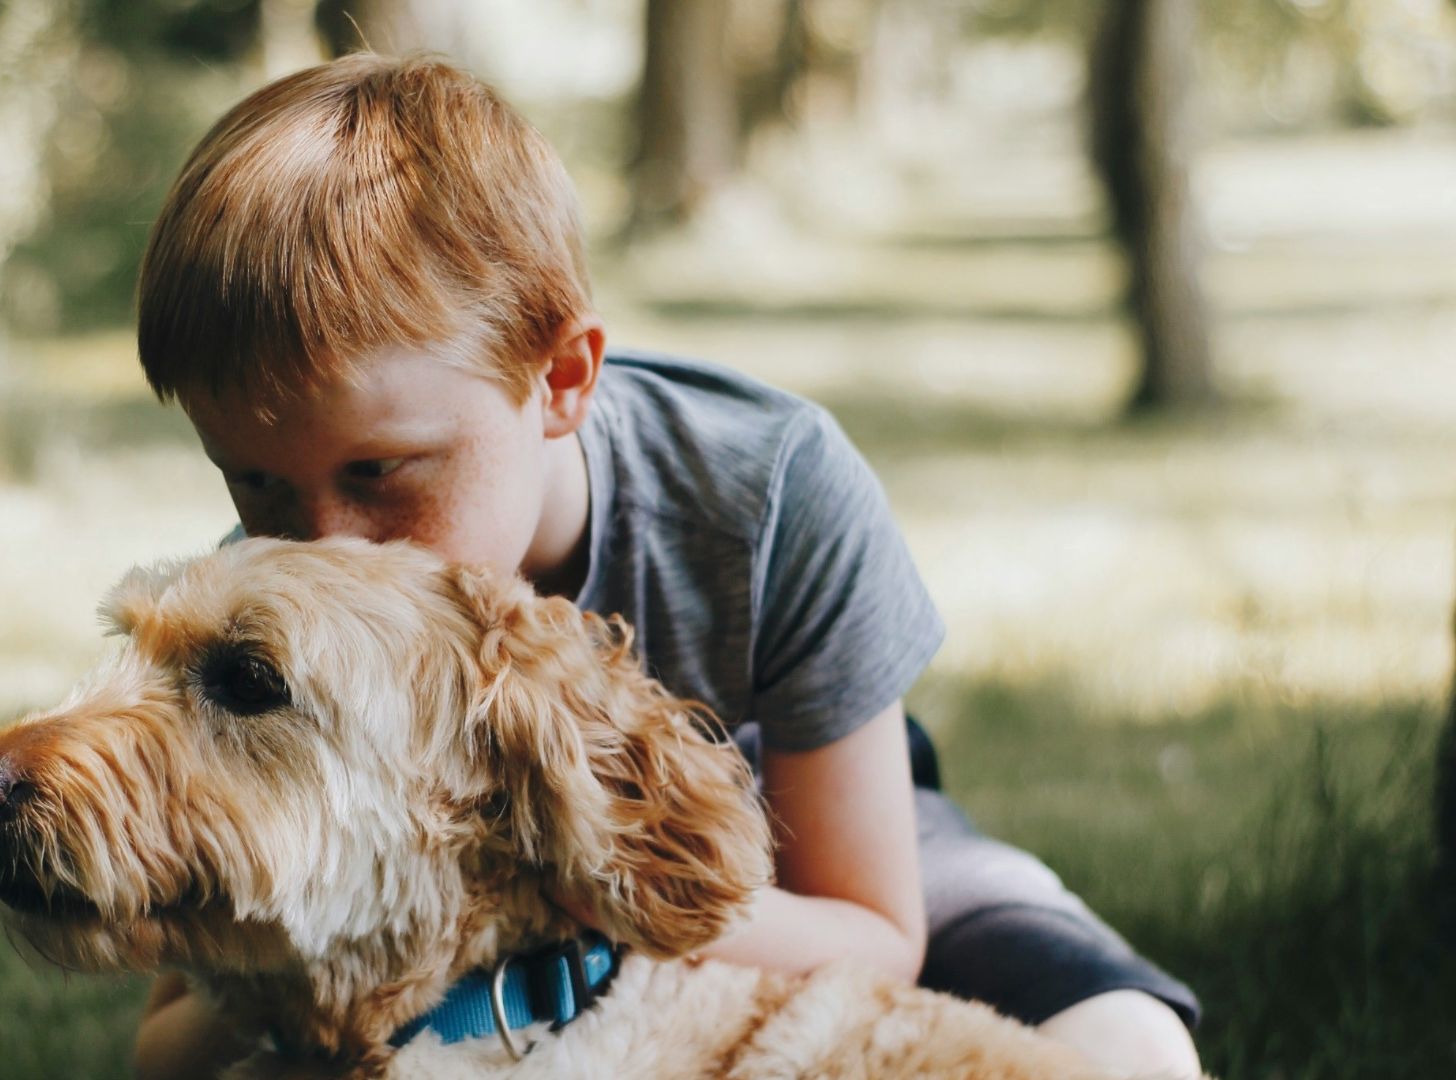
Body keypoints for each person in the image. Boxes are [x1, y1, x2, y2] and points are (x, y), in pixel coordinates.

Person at [127, 53, 1203, 1078]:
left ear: (560, 379)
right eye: (258, 487)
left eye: (382, 471)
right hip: (480, 947)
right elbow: (167, 1040)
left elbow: (875, 933)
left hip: (808, 853)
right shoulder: (269, 623)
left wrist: (588, 890)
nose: (323, 546)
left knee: (1134, 1047)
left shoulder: (768, 491)